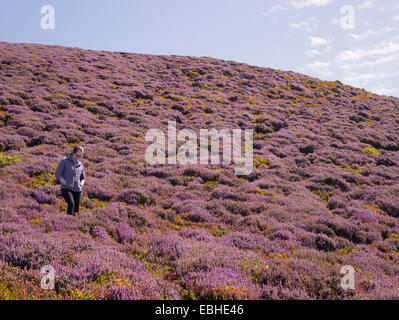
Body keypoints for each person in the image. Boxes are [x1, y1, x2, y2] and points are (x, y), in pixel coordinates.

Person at [55, 146, 86, 216]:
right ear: (73, 153)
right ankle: (68, 221)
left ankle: (74, 223)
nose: (78, 157)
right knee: (71, 204)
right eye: (77, 155)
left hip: (77, 189)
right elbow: (58, 174)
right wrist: (65, 183)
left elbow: (83, 177)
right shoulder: (64, 161)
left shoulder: (80, 164)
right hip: (66, 188)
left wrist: (81, 184)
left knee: (76, 210)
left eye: (80, 156)